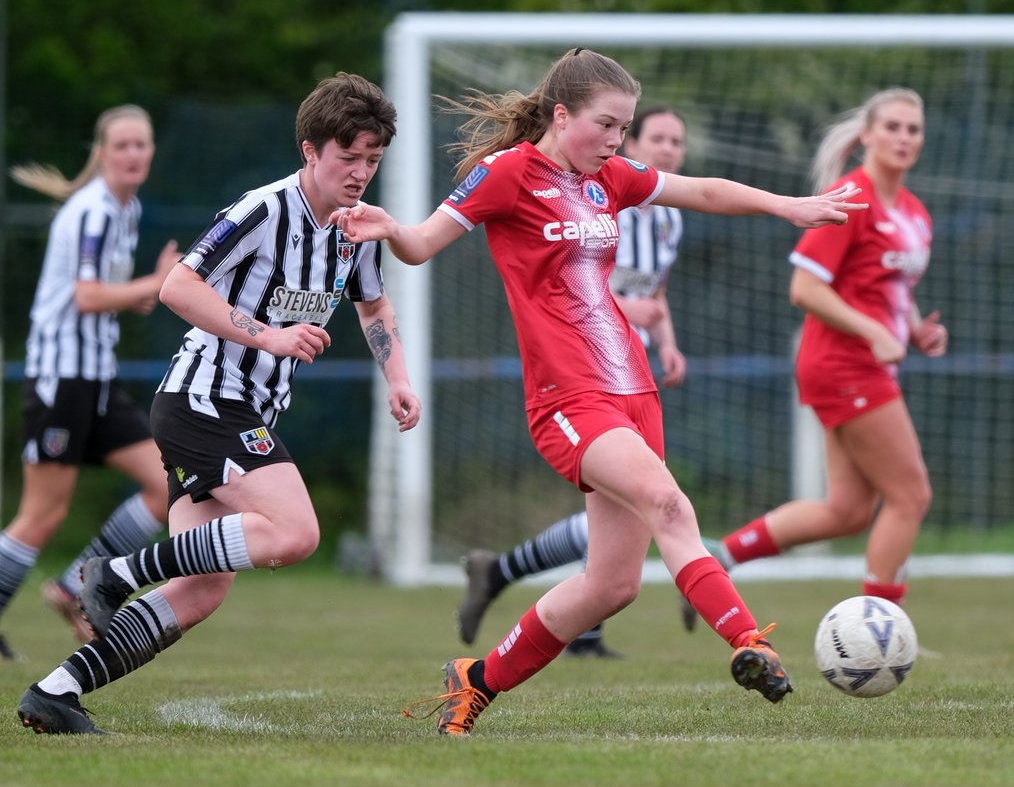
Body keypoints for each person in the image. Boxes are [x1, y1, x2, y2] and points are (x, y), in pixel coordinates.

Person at [331, 48, 865, 736]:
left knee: (612, 585)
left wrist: (787, 206)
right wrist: (390, 229)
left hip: (634, 392)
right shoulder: (507, 173)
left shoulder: (607, 177)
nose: (616, 141)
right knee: (671, 503)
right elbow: (422, 243)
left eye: (624, 128)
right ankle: (747, 642)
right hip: (567, 400)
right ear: (562, 115)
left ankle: (476, 682)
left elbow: (701, 190)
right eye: (606, 125)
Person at [16, 72, 421, 735]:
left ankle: (56, 691)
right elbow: (179, 286)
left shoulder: (357, 230)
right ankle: (113, 570)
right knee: (296, 532)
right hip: (204, 401)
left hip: (242, 412)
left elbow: (373, 303)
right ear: (311, 150)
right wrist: (269, 334)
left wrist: (398, 376)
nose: (360, 172)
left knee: (204, 585)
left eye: (372, 160)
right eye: (349, 156)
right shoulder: (263, 210)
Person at [697, 87, 946, 616]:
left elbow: (888, 289)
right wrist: (873, 333)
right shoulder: (850, 197)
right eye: (893, 127)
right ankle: (879, 631)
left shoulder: (915, 213)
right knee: (911, 495)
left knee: (849, 510)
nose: (904, 138)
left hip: (863, 364)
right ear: (867, 136)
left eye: (914, 129)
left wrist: (913, 328)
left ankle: (718, 560)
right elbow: (805, 289)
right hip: (844, 365)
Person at [455, 105, 690, 659]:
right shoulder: (599, 192)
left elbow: (651, 291)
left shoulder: (665, 215)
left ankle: (514, 584)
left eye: (676, 141)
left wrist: (670, 342)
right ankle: (555, 611)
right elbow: (588, 284)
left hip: (628, 367)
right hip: (576, 370)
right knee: (643, 503)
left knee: (631, 514)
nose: (666, 149)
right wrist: (626, 308)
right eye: (656, 137)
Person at [0, 105, 176, 660]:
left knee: (165, 484)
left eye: (141, 145)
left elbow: (104, 297)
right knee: (45, 511)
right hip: (62, 379)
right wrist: (153, 281)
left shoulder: (127, 209)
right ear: (101, 152)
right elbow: (86, 296)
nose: (132, 155)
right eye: (121, 145)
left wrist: (143, 293)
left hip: (96, 379)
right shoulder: (93, 211)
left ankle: (77, 586)